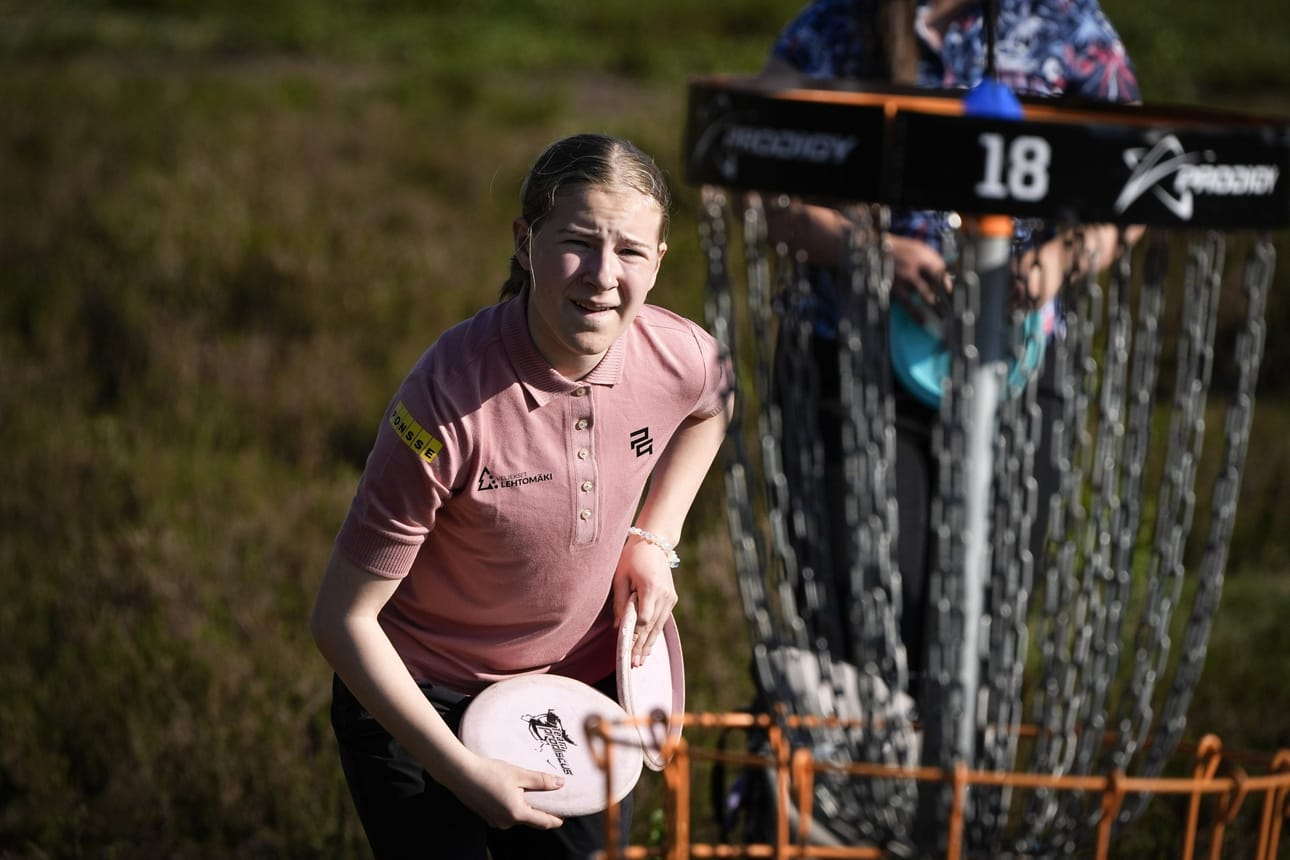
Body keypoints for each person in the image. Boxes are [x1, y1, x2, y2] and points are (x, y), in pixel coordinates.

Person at [310, 133, 733, 860]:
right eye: (577, 242)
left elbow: (716, 399)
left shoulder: (679, 355)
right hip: (422, 704)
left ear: (659, 262)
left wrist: (654, 542)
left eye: (630, 252)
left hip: (576, 693)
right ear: (524, 241)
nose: (603, 277)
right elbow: (342, 622)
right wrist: (459, 768)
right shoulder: (444, 403)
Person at [759, 0, 1141, 681]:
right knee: (869, 609)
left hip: (1014, 365)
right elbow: (762, 188)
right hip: (851, 364)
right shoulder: (830, 28)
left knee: (987, 618)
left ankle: (962, 783)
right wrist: (872, 252)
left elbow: (1134, 186)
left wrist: (1055, 263)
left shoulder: (1066, 24)